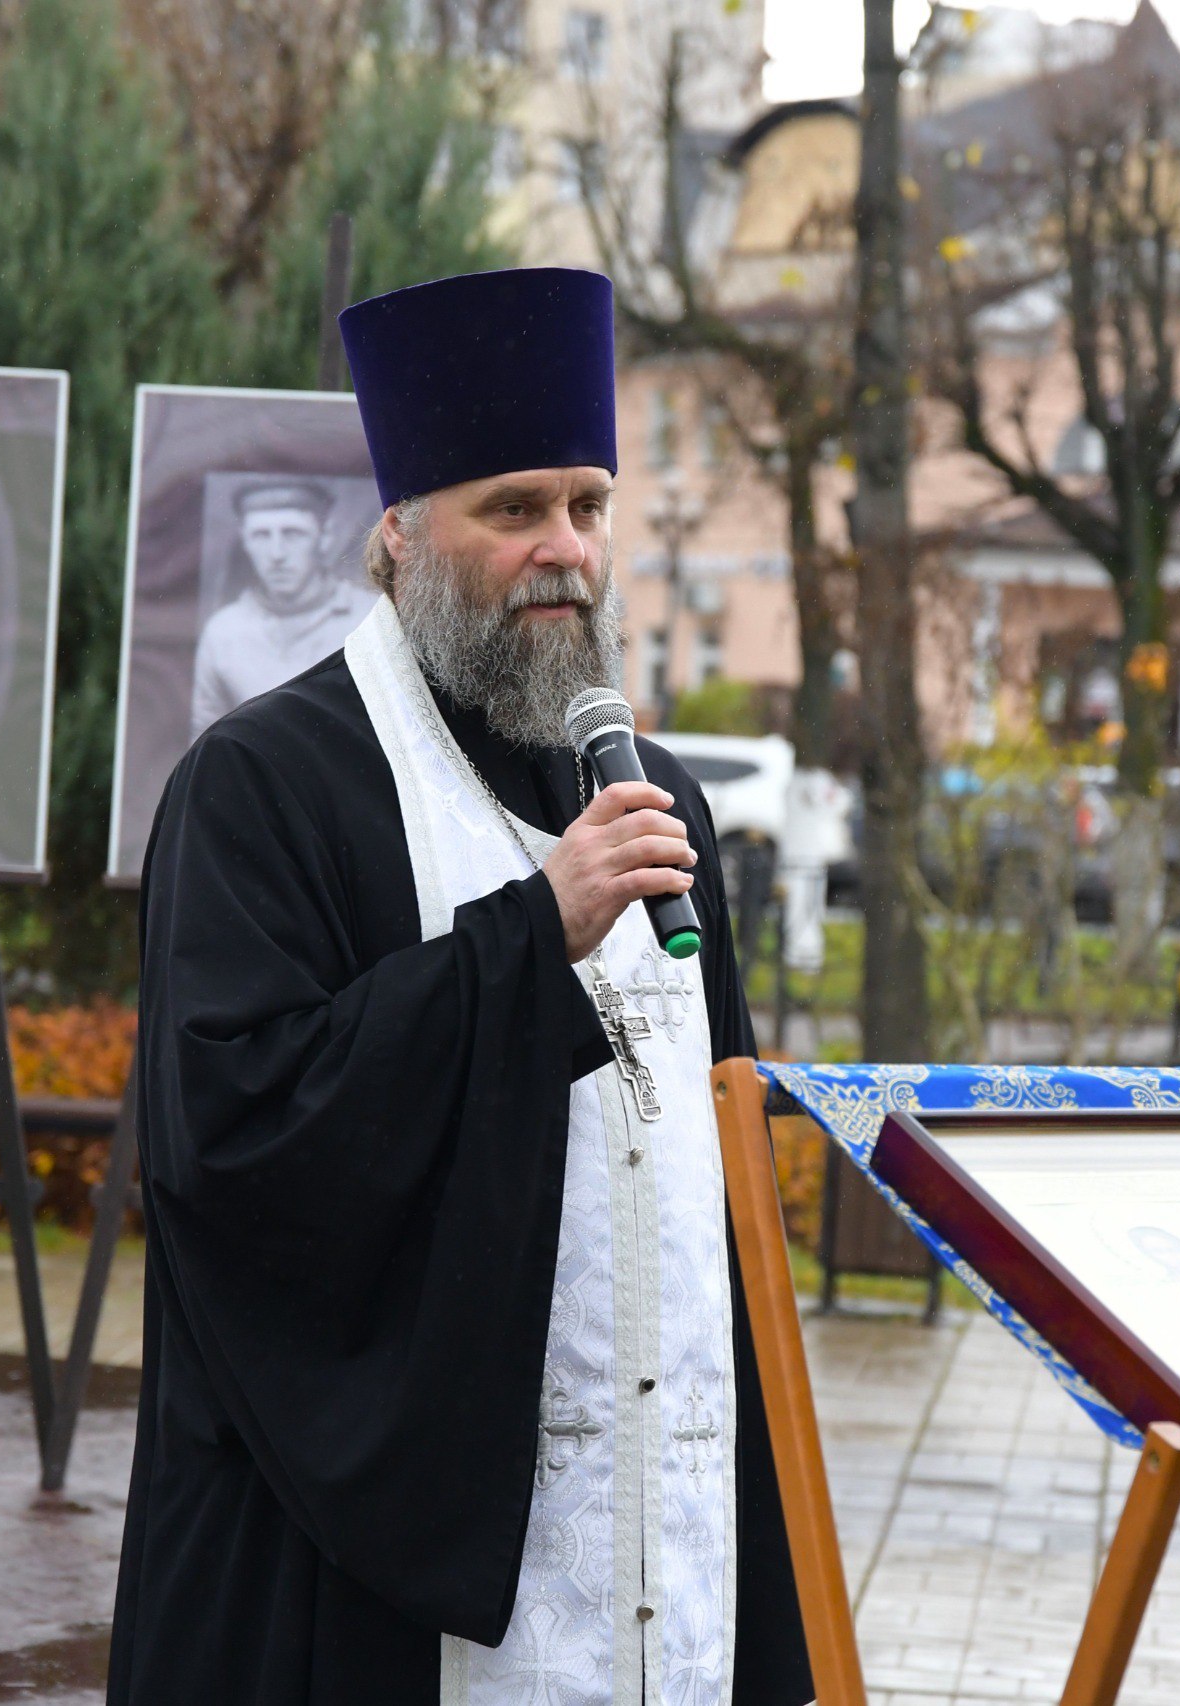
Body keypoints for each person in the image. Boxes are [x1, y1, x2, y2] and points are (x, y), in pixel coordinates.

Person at [111, 268, 811, 1706]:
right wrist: (524, 942)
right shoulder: (264, 788)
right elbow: (229, 1141)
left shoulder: (657, 797)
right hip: (381, 1578)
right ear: (397, 537)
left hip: (659, 1548)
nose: (565, 550)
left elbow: (719, 1169)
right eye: (514, 510)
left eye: (589, 507)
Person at [189, 478, 372, 730]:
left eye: (293, 534)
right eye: (261, 535)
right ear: (245, 540)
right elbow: (204, 741)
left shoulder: (370, 619)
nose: (277, 554)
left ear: (325, 535)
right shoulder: (222, 632)